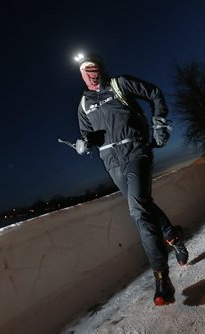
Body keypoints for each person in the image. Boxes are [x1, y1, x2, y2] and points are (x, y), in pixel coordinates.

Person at [73, 53, 188, 306]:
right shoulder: (83, 104)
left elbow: (155, 93)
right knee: (143, 205)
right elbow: (88, 134)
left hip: (135, 150)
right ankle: (174, 238)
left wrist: (158, 123)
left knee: (137, 211)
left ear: (100, 68)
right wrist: (85, 143)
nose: (89, 74)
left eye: (92, 68)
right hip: (111, 162)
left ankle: (162, 280)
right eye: (83, 71)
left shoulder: (119, 84)